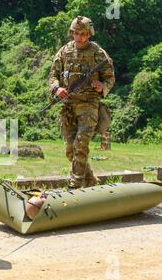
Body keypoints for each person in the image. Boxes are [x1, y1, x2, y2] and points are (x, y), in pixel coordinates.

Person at [48, 16, 115, 188]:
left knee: (81, 143)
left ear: (89, 34)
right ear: (72, 33)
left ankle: (75, 183)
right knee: (71, 149)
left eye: (84, 34)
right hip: (69, 105)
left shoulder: (98, 53)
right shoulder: (64, 52)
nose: (80, 37)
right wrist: (57, 88)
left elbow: (110, 77)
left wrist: (102, 86)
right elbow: (53, 75)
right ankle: (90, 180)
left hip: (89, 104)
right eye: (77, 33)